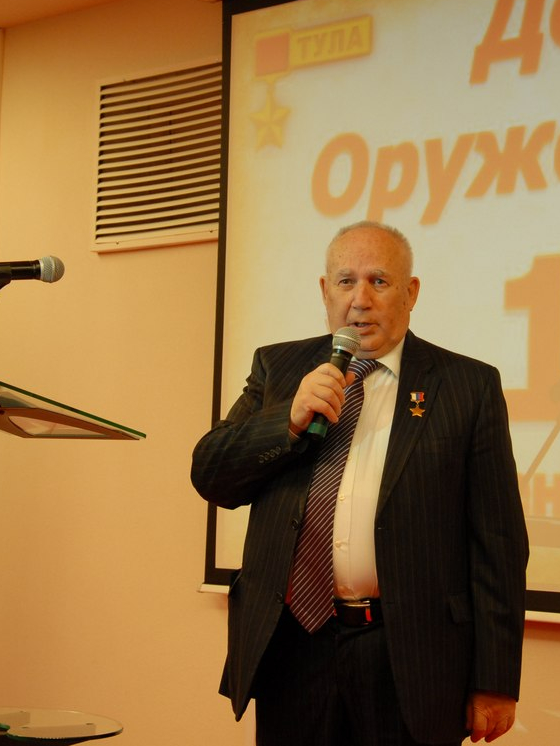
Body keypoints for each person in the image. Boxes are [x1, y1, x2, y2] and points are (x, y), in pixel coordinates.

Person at [192, 221, 529, 745]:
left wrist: (495, 679)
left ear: (410, 293)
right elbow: (212, 475)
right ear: (325, 291)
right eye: (346, 281)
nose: (360, 300)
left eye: (379, 281)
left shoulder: (467, 386)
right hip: (292, 648)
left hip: (408, 657)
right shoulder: (278, 368)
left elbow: (498, 544)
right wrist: (287, 421)